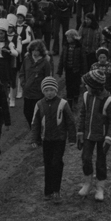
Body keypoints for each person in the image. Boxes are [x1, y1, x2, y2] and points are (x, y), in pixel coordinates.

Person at [30, 75, 77, 203]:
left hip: (59, 139)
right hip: (46, 140)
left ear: (56, 90)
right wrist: (35, 139)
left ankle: (56, 191)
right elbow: (35, 123)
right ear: (43, 91)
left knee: (56, 163)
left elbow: (70, 121)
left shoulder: (63, 103)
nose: (49, 93)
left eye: (51, 90)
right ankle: (48, 191)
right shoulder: (39, 104)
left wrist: (72, 139)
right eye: (46, 90)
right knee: (48, 164)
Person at [76, 70, 111, 202]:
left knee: (101, 161)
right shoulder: (85, 96)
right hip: (88, 134)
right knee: (86, 158)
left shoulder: (108, 100)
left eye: (87, 85)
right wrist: (80, 132)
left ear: (95, 86)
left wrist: (109, 138)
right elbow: (82, 114)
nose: (85, 87)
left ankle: (100, 188)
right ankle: (87, 183)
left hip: (102, 136)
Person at [19, 39, 52, 128]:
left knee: (37, 113)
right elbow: (22, 73)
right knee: (27, 113)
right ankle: (33, 128)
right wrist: (23, 84)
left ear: (41, 51)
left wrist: (44, 90)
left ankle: (36, 132)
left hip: (38, 93)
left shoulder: (45, 62)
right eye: (33, 50)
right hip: (27, 92)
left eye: (37, 50)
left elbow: (47, 78)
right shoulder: (27, 59)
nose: (35, 52)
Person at [56, 29, 86, 110]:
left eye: (68, 37)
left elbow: (83, 60)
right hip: (68, 70)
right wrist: (60, 70)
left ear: (74, 38)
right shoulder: (65, 46)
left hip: (76, 70)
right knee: (68, 86)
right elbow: (62, 58)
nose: (67, 39)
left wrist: (83, 72)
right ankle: (70, 103)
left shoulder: (79, 47)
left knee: (76, 86)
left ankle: (75, 100)